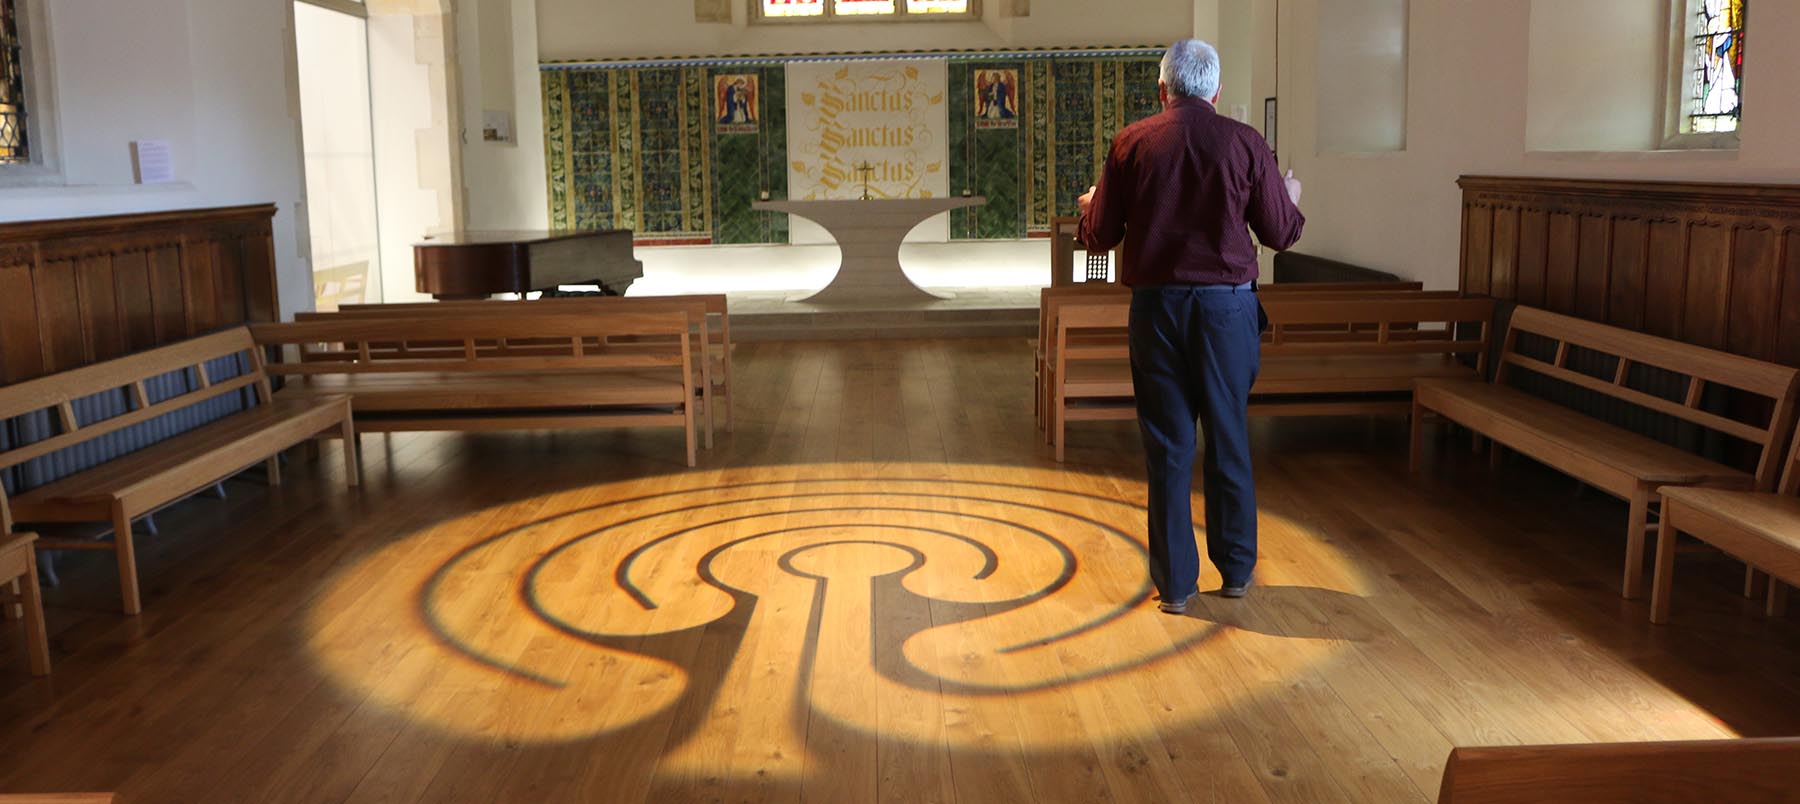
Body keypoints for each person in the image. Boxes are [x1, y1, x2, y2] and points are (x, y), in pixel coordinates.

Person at [1076, 39, 1304, 614]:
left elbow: (1100, 236)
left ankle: (1176, 586)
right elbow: (1281, 233)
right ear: (1216, 91)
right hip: (1227, 312)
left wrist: (1090, 208)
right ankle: (1236, 571)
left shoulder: (1131, 143)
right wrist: (1291, 198)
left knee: (1169, 446)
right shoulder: (1246, 142)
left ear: (1163, 89)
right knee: (1228, 436)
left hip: (1157, 312)